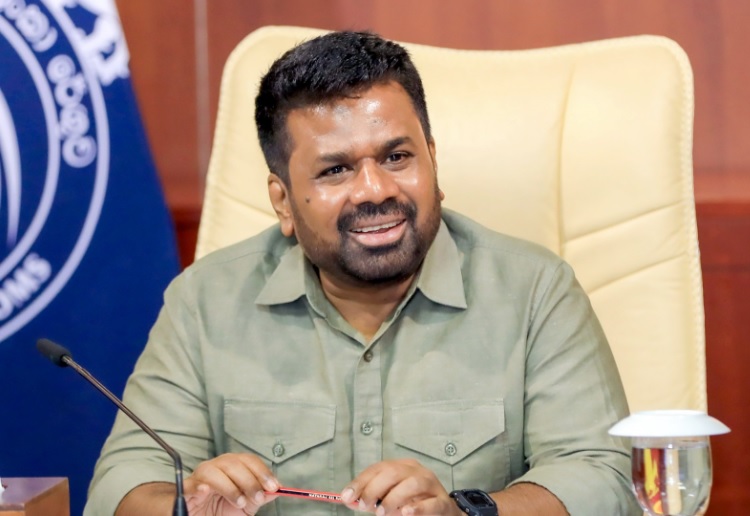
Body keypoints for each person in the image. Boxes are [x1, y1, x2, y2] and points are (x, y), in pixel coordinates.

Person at [84, 31, 641, 516]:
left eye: (397, 157)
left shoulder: (535, 291)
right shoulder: (205, 301)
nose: (375, 190)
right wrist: (186, 508)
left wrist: (464, 511)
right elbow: (120, 486)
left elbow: (603, 479)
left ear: (433, 161)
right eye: (336, 170)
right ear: (283, 201)